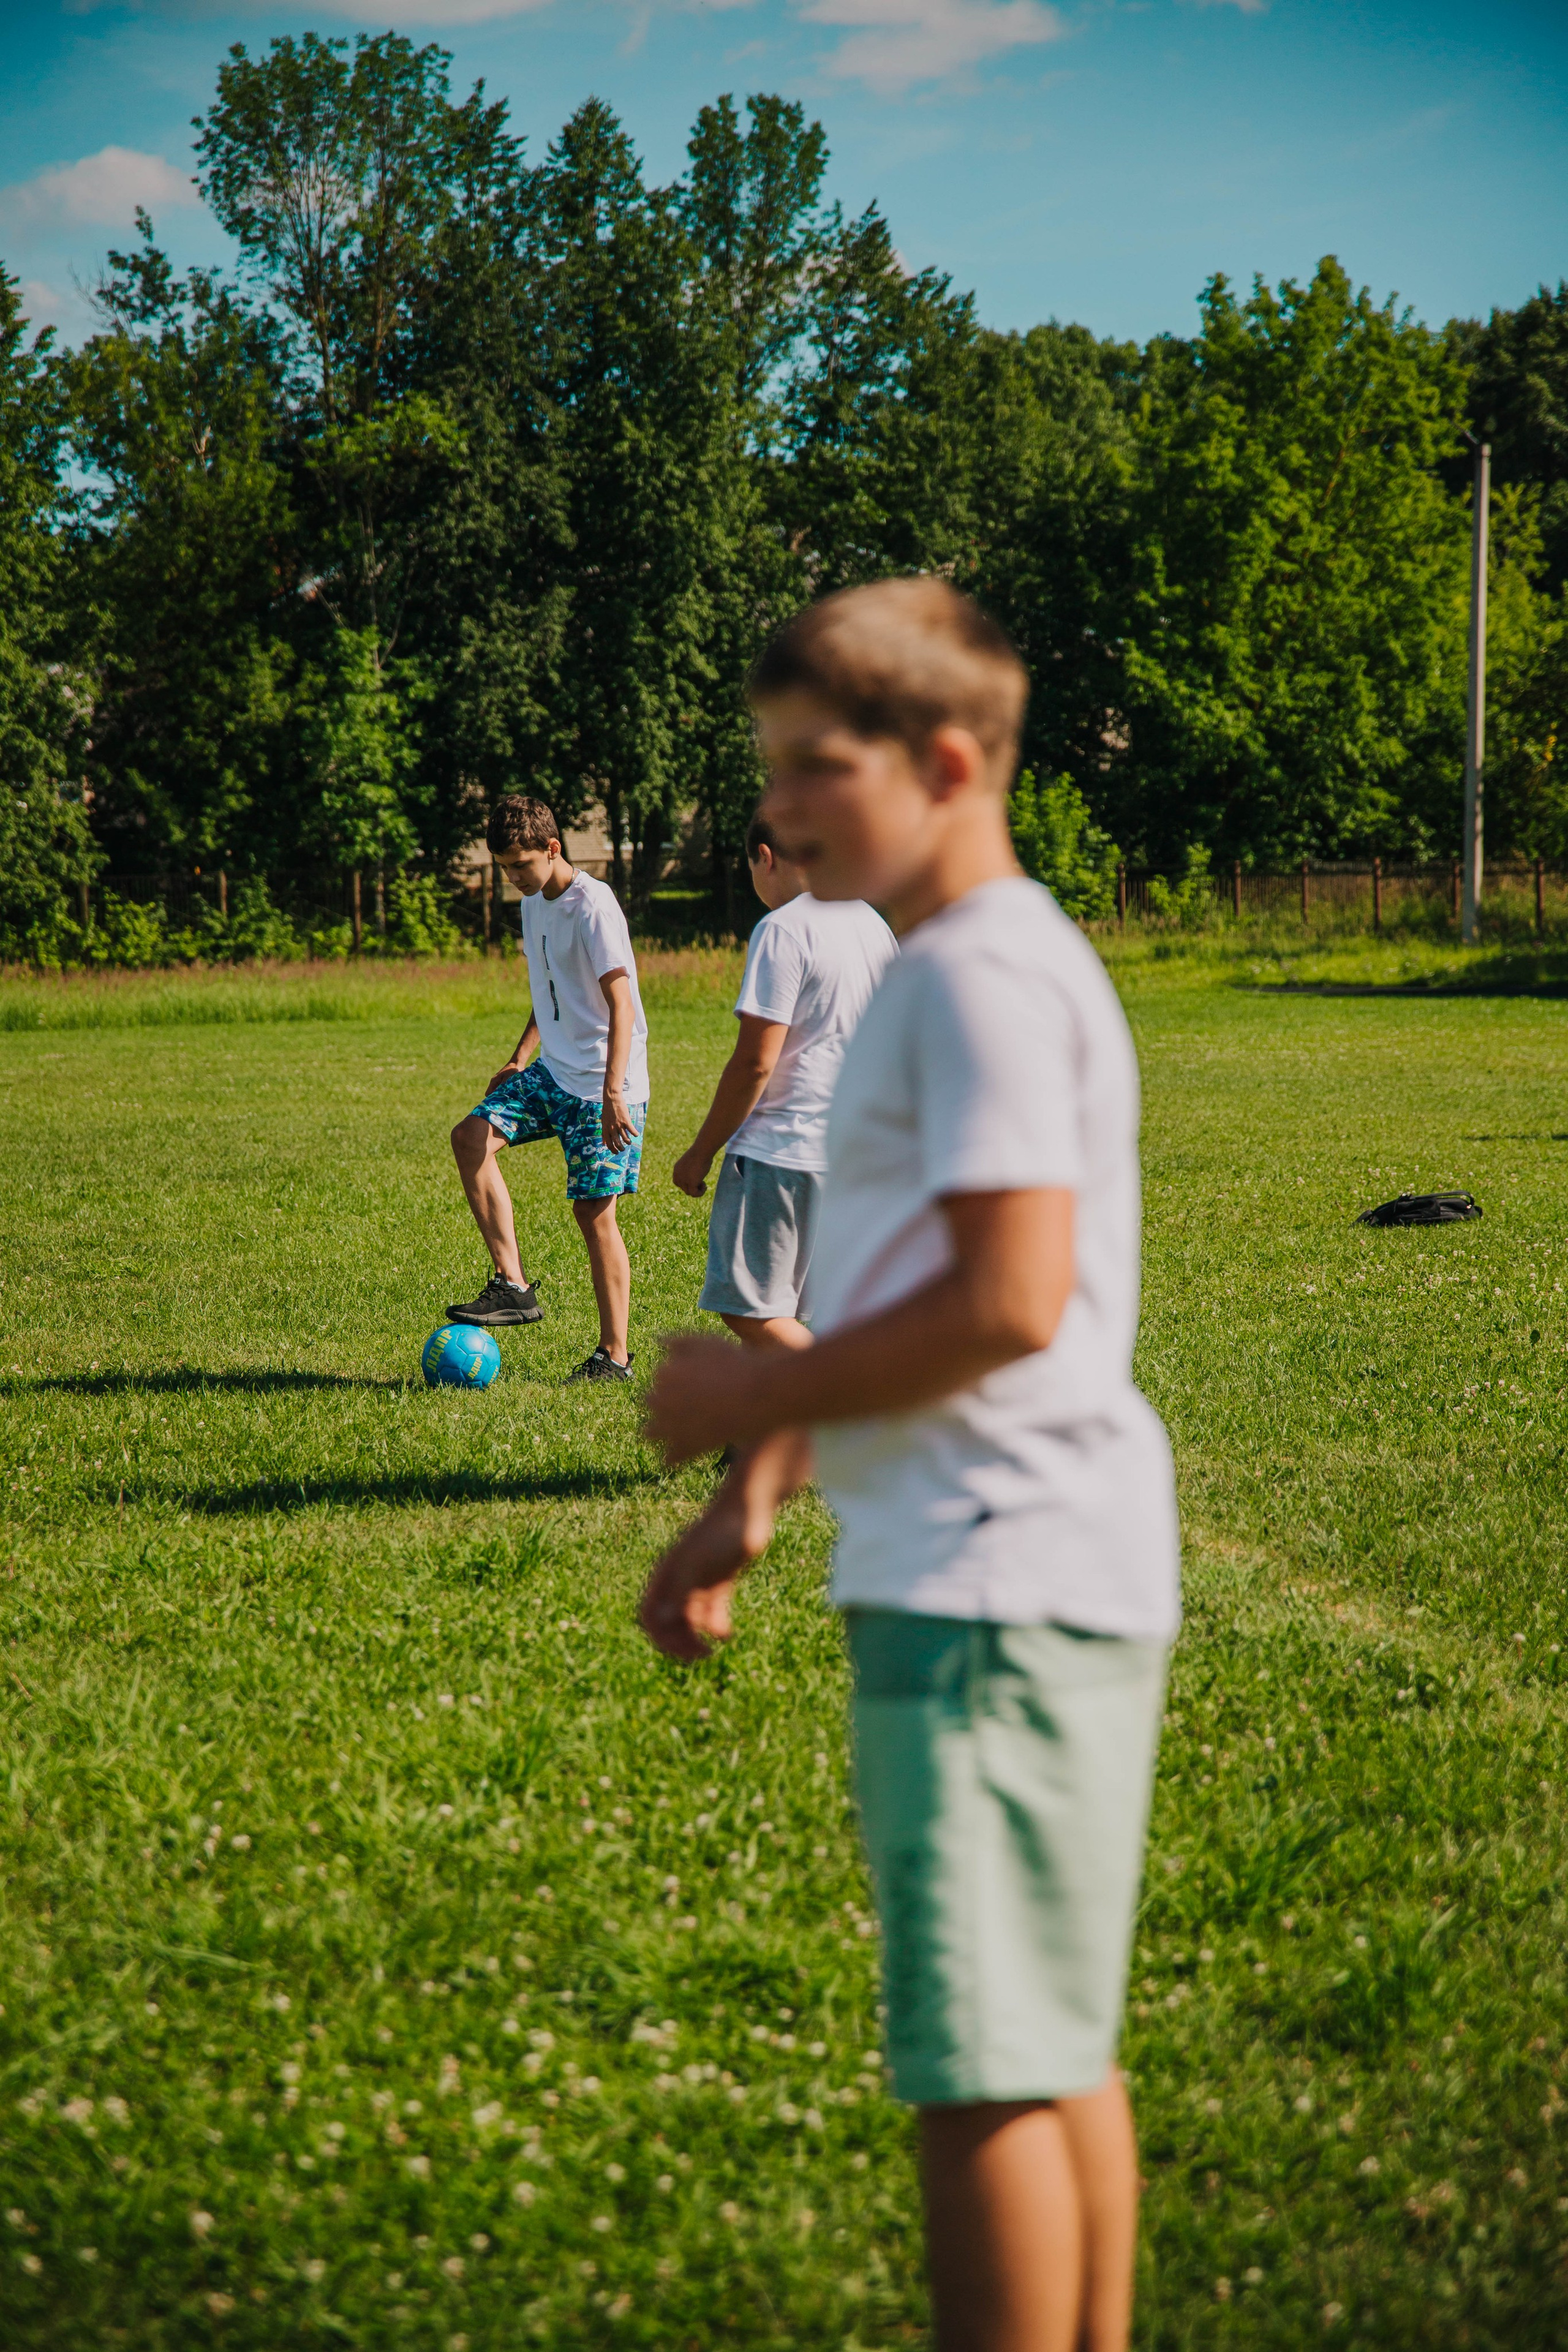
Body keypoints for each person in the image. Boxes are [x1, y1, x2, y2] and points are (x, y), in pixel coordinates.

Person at [638, 579, 1180, 2352]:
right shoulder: (956, 969)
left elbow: (1012, 1300)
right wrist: (755, 1497)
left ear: (947, 761)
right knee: (1049, 2051)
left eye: (815, 769)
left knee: (985, 2081)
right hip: (1011, 1575)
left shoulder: (985, 977)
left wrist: (730, 1398)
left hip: (990, 1587)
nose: (782, 811)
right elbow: (903, 1291)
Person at [673, 808, 897, 1354]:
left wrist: (701, 1151)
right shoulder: (872, 923)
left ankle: (855, 1403)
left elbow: (755, 1063)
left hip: (782, 1153)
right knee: (799, 1315)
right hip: (852, 1154)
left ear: (766, 857)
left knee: (749, 1311)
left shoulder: (783, 929)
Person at [447, 794, 649, 1384]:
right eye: (505, 868)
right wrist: (519, 1058)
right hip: (553, 1071)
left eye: (519, 865)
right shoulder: (535, 902)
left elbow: (622, 1002)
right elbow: (552, 991)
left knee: (594, 1215)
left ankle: (614, 1358)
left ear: (552, 848)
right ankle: (513, 1286)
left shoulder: (594, 907)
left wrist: (614, 1093)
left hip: (600, 1085)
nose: (512, 879)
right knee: (470, 1138)